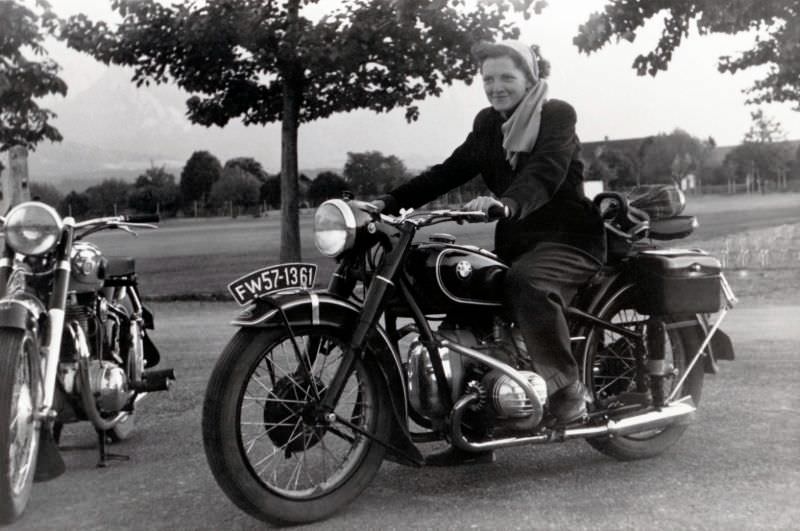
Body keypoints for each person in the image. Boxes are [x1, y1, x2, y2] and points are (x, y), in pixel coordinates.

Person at [372, 40, 606, 465]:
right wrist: (386, 204)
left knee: (528, 283)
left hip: (570, 238)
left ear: (530, 78)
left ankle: (568, 387)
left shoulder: (557, 115)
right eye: (488, 79)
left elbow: (546, 169)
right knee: (464, 298)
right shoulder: (488, 125)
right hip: (519, 241)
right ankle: (472, 430)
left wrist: (510, 203)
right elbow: (448, 171)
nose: (496, 87)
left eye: (506, 78)